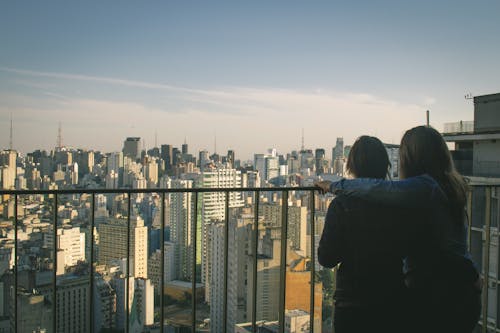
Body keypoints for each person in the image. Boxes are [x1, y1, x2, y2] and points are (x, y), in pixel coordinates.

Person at [316, 126, 481, 333]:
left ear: (412, 158)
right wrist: (474, 273)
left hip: (436, 294)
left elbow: (377, 189)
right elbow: (455, 244)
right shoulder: (448, 186)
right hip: (456, 289)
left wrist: (333, 186)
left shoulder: (424, 188)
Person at [318, 135, 414, 333]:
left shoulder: (341, 205)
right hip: (394, 300)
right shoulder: (400, 204)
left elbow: (326, 258)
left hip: (352, 303)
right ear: (386, 165)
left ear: (352, 166)